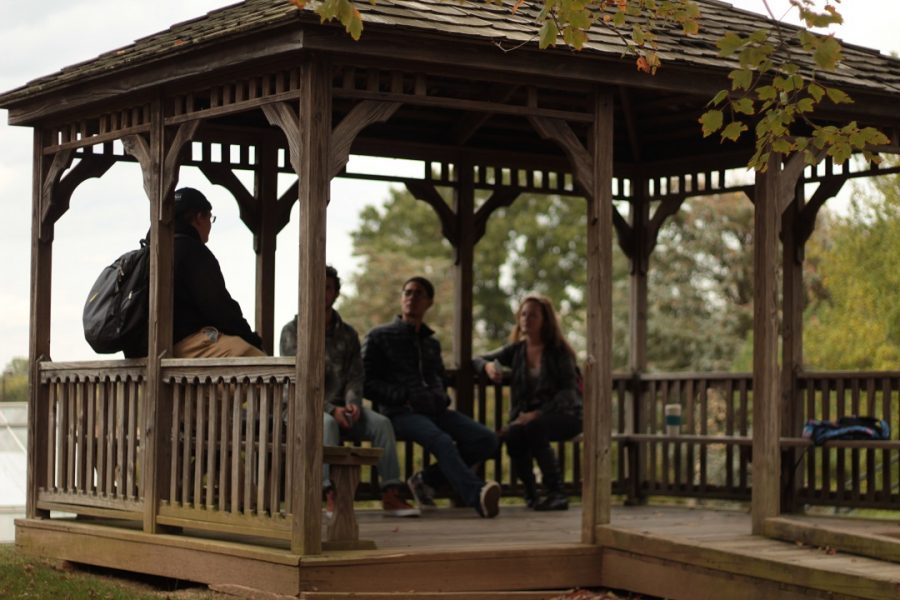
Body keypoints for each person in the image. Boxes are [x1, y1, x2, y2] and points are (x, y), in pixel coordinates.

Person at [280, 266, 419, 517]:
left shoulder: (348, 334)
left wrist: (353, 404)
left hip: (343, 408)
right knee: (328, 425)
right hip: (303, 409)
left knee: (382, 424)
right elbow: (297, 381)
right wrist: (332, 410)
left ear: (335, 293)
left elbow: (356, 375)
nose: (322, 292)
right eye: (317, 286)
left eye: (328, 287)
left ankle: (391, 493)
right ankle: (329, 494)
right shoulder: (293, 331)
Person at [362, 276, 501, 518]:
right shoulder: (379, 336)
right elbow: (365, 382)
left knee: (486, 440)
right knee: (442, 441)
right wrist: (401, 396)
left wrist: (441, 397)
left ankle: (424, 480)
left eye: (418, 294)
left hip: (434, 411)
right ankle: (478, 495)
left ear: (429, 303)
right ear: (402, 298)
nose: (411, 298)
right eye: (407, 292)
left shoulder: (431, 343)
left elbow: (438, 377)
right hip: (400, 412)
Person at [474, 294, 582, 511]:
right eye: (523, 314)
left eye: (532, 315)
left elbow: (569, 393)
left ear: (545, 320)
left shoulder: (558, 351)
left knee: (534, 427)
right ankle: (531, 494)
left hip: (567, 415)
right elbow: (478, 358)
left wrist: (538, 413)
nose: (526, 319)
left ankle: (556, 493)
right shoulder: (516, 350)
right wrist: (487, 367)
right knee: (514, 434)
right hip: (528, 418)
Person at [171, 187, 265, 358]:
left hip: (148, 349)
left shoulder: (152, 249)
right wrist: (252, 340)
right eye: (210, 218)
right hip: (183, 344)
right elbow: (220, 309)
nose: (210, 225)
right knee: (257, 361)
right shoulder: (193, 252)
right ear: (199, 217)